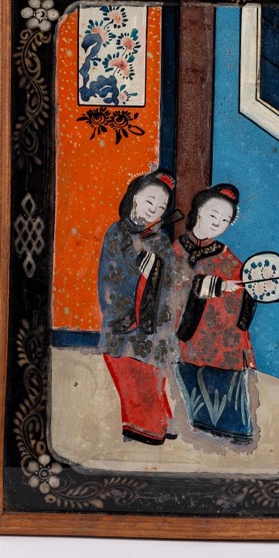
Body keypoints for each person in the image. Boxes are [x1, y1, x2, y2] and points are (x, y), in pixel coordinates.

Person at [95, 168, 178, 443]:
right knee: (130, 370)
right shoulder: (116, 232)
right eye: (149, 201)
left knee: (152, 373)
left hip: (153, 321)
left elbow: (168, 280)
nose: (153, 209)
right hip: (124, 318)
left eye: (161, 207)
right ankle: (146, 425)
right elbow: (110, 276)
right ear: (133, 198)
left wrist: (155, 269)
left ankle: (155, 424)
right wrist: (137, 269)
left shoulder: (160, 240)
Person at [171, 184, 257, 444]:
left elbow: (245, 286)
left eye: (225, 220)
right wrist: (212, 286)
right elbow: (173, 287)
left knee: (227, 386)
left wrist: (248, 288)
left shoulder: (226, 255)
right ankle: (201, 424)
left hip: (223, 337)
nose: (218, 223)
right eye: (213, 214)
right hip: (191, 333)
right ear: (198, 211)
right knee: (194, 381)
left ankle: (234, 429)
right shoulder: (176, 250)